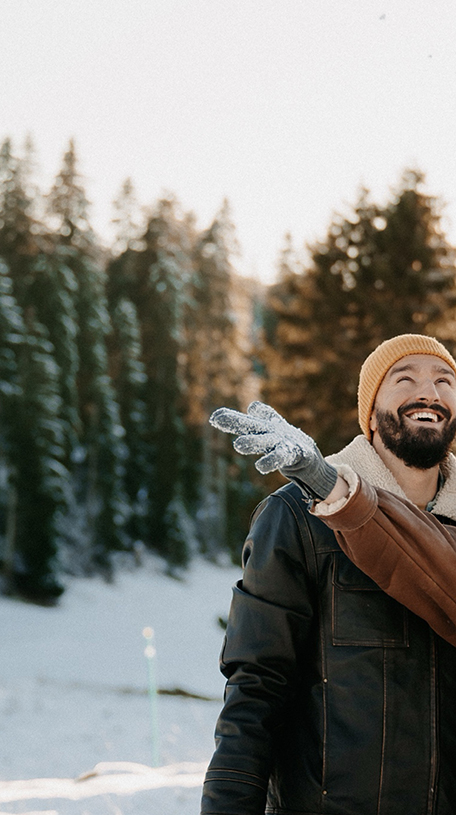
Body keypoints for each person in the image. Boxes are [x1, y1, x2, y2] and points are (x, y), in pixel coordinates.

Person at [200, 333, 456, 815]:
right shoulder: (297, 516)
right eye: (405, 379)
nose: (430, 393)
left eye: (445, 381)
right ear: (371, 414)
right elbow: (257, 687)